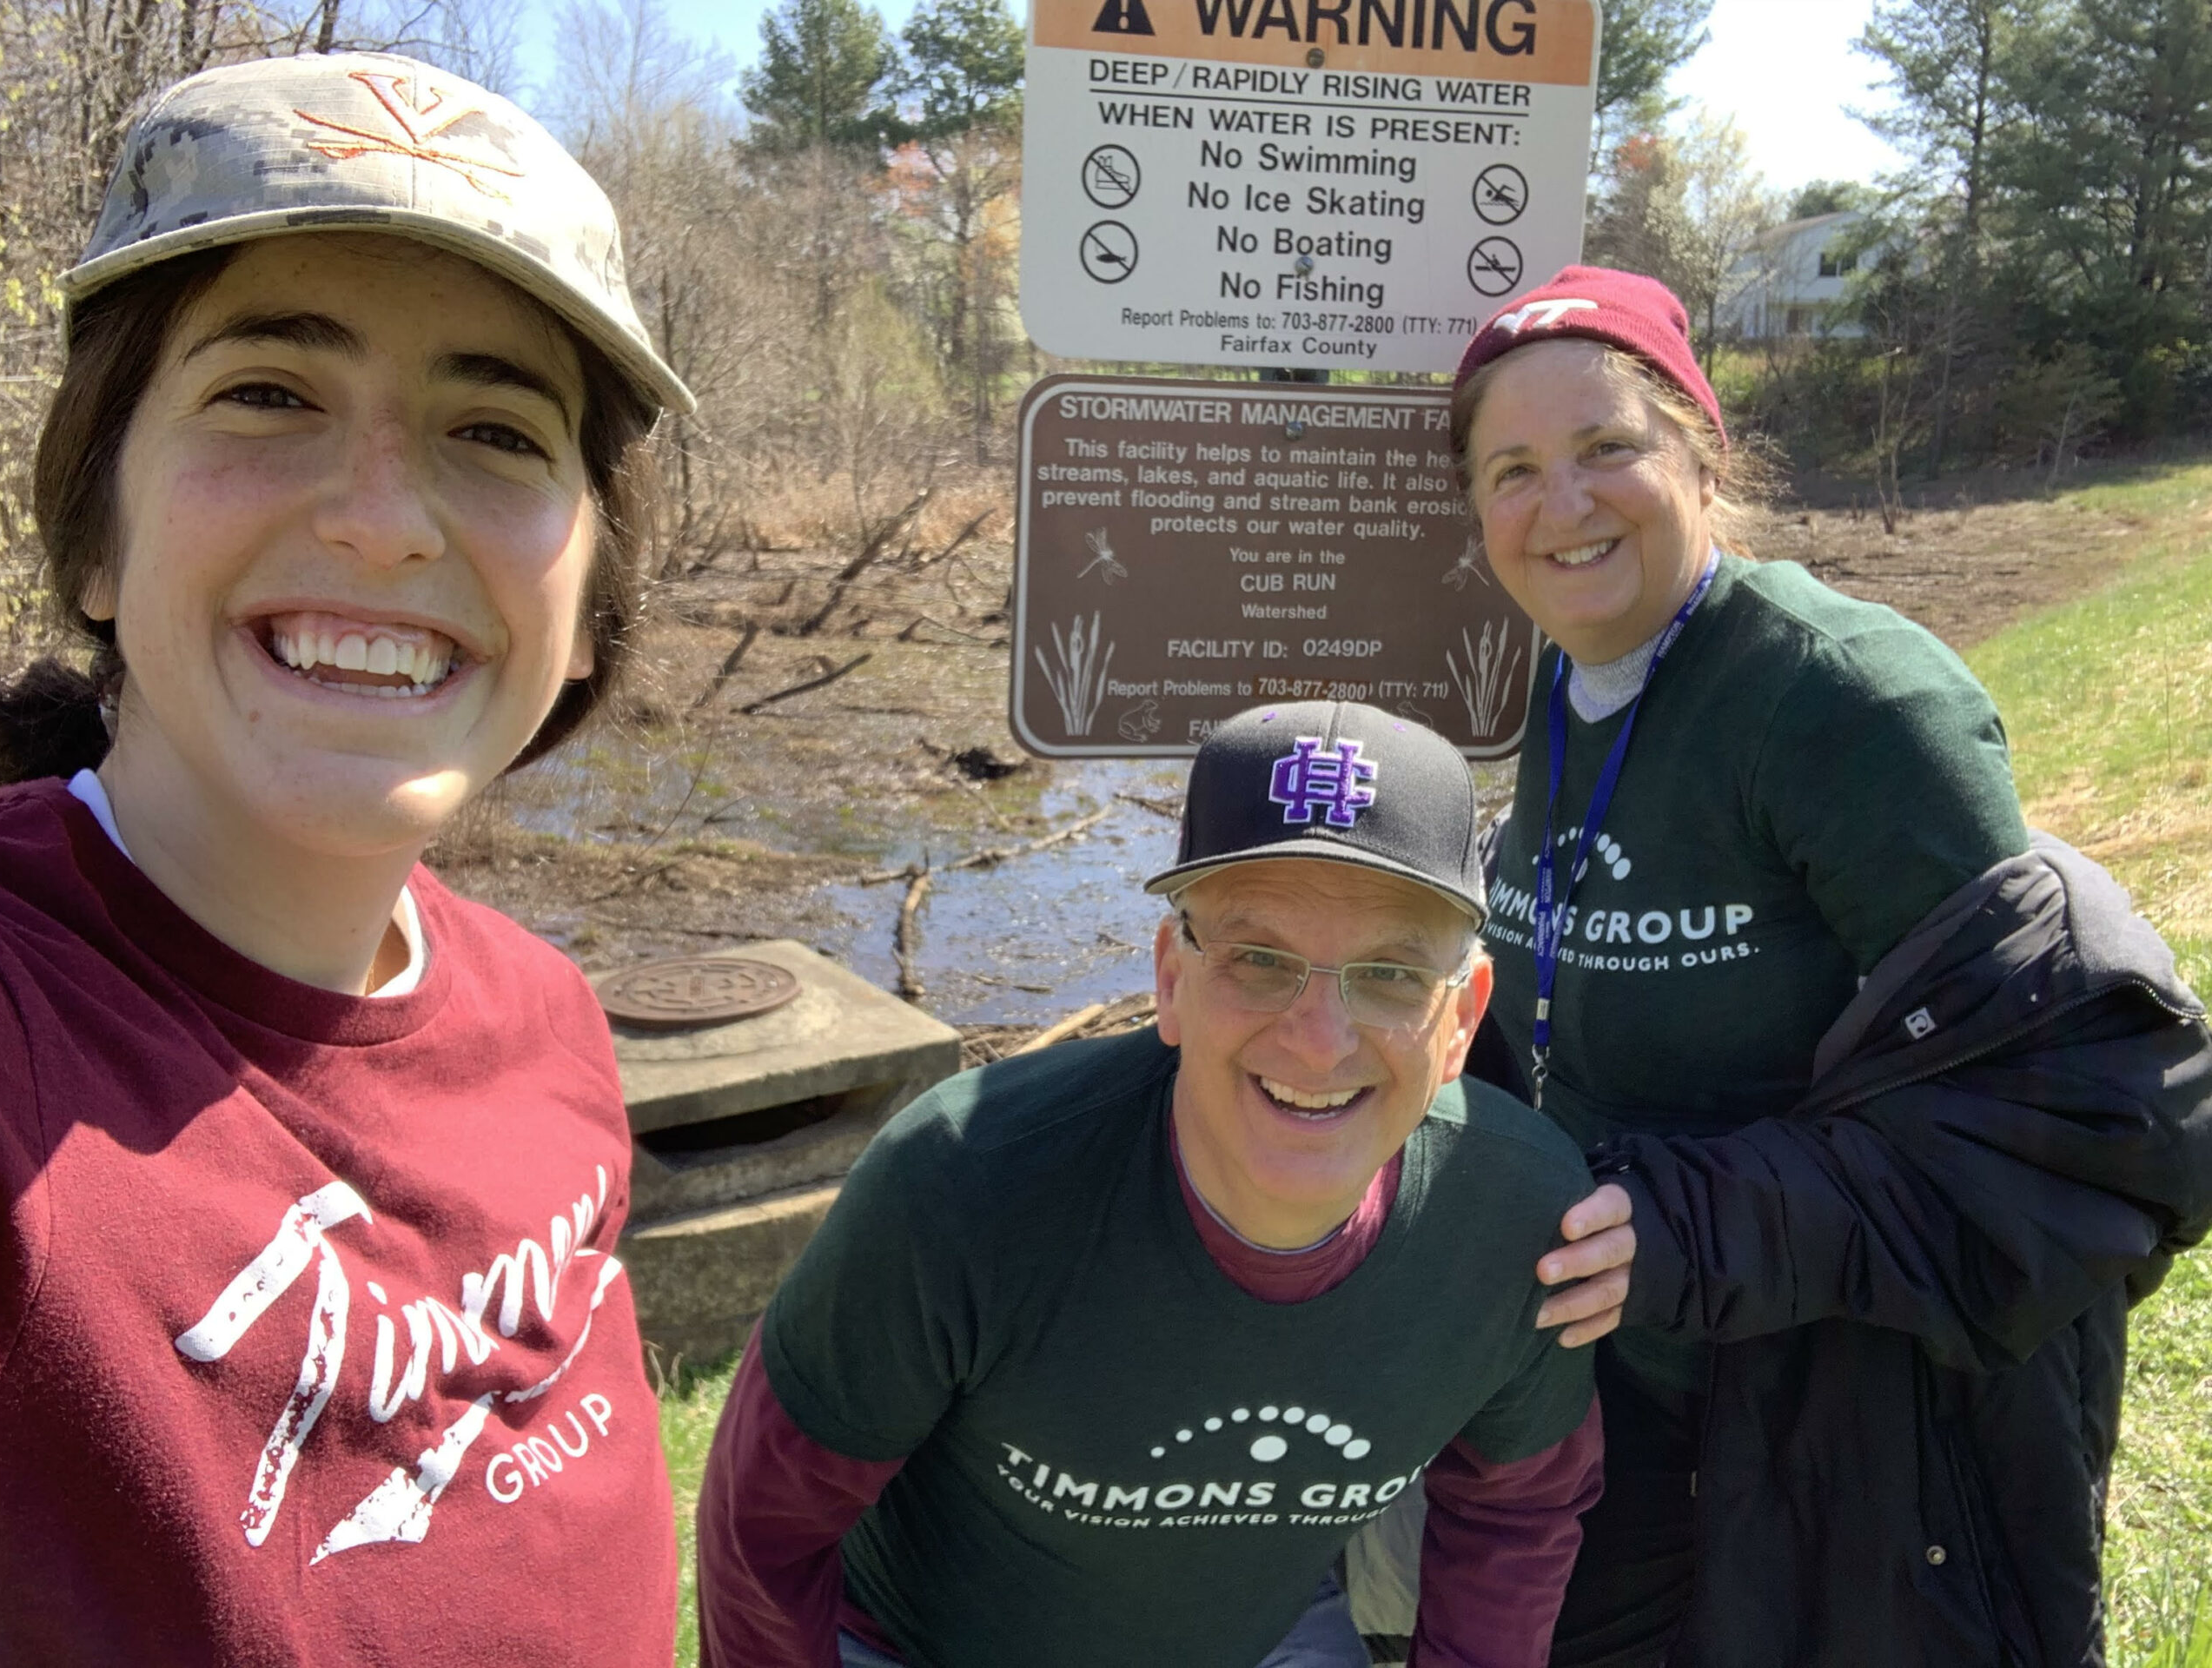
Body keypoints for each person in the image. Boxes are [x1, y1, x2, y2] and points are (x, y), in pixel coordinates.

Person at [0, 52, 695, 1664]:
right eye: (270, 395)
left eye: (496, 429)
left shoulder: (550, 1022)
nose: (383, 519)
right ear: (95, 531)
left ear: (588, 609)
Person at [1440, 265, 2212, 1666]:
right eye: (1514, 469)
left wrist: (1694, 1227)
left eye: (1608, 447)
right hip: (1625, 1405)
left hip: (1849, 1438)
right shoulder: (1562, 682)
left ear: (1702, 451)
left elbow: (2077, 1130)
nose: (1563, 506)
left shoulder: (1846, 701)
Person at [697, 701, 1635, 1668]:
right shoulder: (962, 1182)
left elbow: (1518, 1507)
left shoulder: (1515, 1217)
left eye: (1391, 975)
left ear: (1462, 1019)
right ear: (1170, 980)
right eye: (1258, 961)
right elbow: (761, 1526)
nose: (1319, 1040)